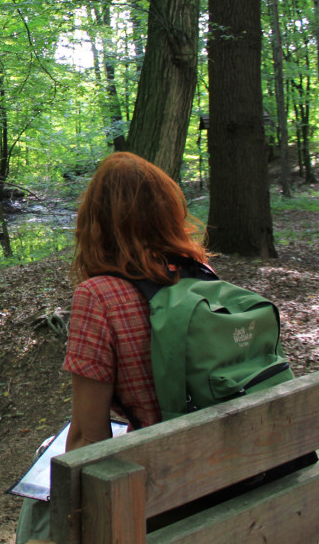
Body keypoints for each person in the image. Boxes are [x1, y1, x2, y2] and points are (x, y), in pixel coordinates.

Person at [63, 151, 209, 449]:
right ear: (168, 212)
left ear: (95, 221)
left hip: (167, 464)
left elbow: (87, 440)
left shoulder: (98, 297)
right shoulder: (202, 273)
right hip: (234, 454)